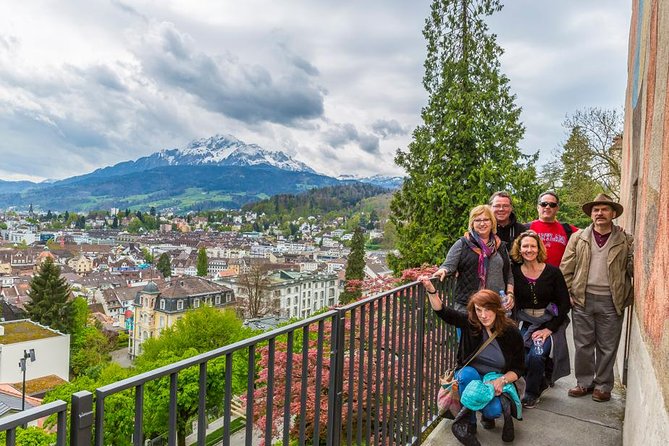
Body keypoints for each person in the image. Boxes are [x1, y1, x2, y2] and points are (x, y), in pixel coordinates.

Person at [421, 282, 525, 445]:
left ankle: (486, 415)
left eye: (487, 309)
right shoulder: (471, 323)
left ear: (497, 309)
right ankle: (468, 424)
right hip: (471, 375)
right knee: (465, 375)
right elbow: (443, 311)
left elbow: (519, 368)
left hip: (494, 379)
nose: (483, 315)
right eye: (478, 310)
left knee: (493, 411)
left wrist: (502, 380)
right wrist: (431, 290)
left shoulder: (511, 333)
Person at [560, 194, 634, 402]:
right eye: (596, 210)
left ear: (613, 213)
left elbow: (632, 269)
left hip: (611, 300)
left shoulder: (624, 239)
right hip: (582, 298)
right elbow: (566, 268)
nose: (600, 213)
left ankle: (603, 385)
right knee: (583, 344)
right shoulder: (579, 237)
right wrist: (568, 294)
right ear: (591, 214)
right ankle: (584, 382)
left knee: (607, 346)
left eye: (604, 209)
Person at [510, 231, 571, 408]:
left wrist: (548, 329)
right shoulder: (514, 273)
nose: (529, 249)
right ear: (519, 250)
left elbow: (564, 303)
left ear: (539, 249)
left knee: (536, 355)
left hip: (548, 322)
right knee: (519, 355)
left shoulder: (553, 272)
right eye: (525, 246)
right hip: (525, 322)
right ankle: (541, 380)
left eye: (532, 246)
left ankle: (531, 393)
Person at [434, 205, 515, 313]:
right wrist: (443, 270)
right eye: (477, 220)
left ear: (492, 222)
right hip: (468, 307)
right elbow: (449, 265)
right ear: (472, 223)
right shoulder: (462, 244)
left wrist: (510, 294)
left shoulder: (500, 246)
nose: (482, 223)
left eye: (486, 219)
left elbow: (508, 274)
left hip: (496, 306)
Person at [527, 190, 579, 267]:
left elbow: (590, 233)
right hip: (531, 276)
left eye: (552, 205)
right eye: (544, 204)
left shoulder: (567, 229)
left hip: (559, 276)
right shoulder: (526, 228)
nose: (547, 207)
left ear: (557, 208)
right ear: (538, 207)